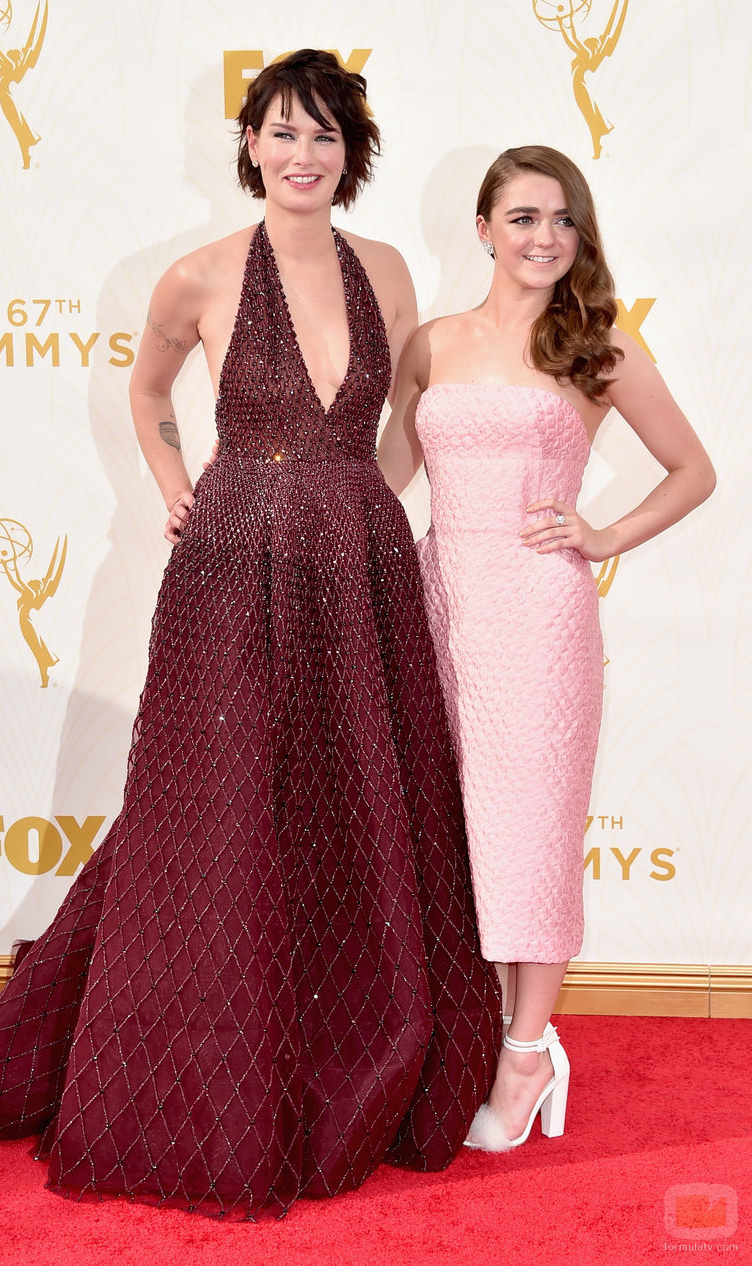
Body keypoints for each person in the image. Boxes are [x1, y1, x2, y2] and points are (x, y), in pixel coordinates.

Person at [0, 51, 501, 1218]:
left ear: (351, 152)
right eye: (281, 133)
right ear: (249, 145)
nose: (301, 155)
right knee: (221, 805)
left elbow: (400, 421)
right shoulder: (198, 273)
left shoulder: (384, 270)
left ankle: (355, 1037)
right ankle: (214, 1066)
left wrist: (362, 506)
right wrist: (174, 483)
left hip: (358, 566)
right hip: (230, 565)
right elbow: (145, 392)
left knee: (352, 791)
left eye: (324, 136)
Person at [378, 144, 715, 1152]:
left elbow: (692, 470)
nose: (545, 237)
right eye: (523, 218)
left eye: (563, 219)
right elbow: (384, 478)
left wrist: (603, 535)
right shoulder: (431, 344)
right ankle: (468, 1032)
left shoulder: (595, 347)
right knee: (451, 830)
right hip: (440, 605)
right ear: (483, 229)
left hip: (538, 619)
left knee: (530, 834)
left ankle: (526, 1053)